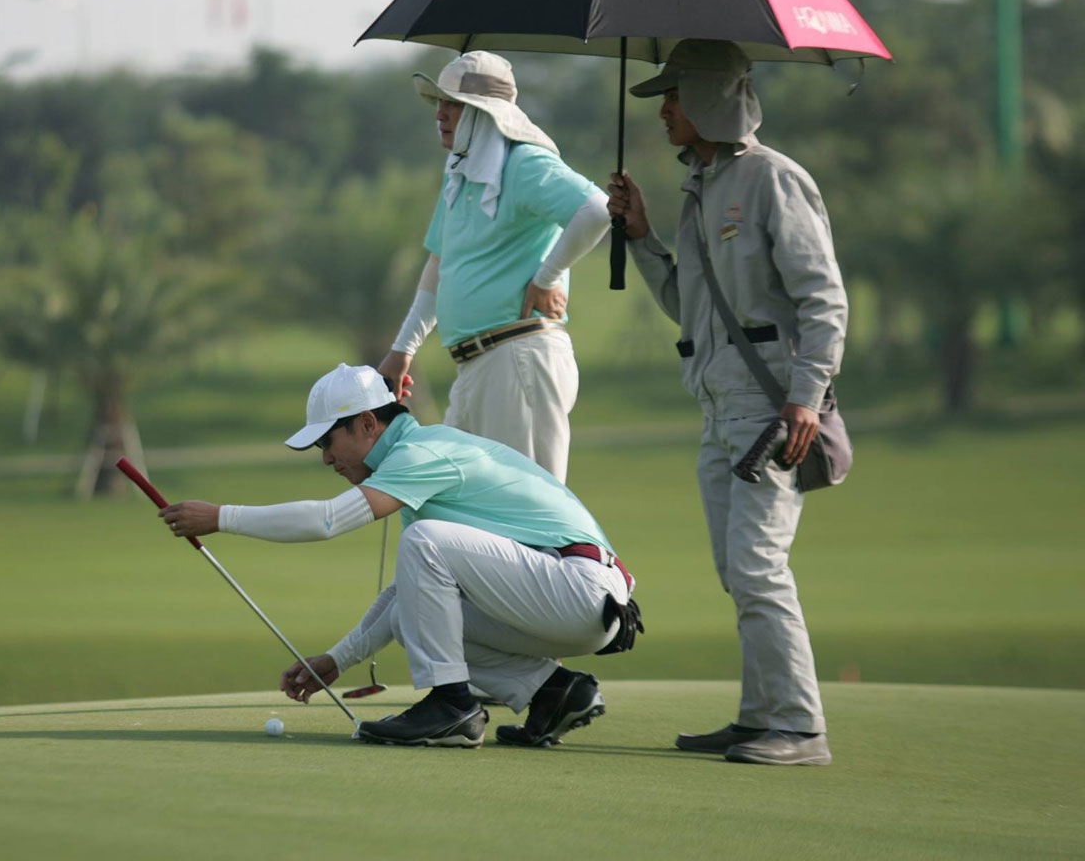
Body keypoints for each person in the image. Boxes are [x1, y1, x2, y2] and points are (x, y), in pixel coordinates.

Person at [156, 363, 642, 748]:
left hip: (580, 590)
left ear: (368, 423)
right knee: (415, 610)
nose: (325, 458)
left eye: (328, 441)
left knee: (423, 540)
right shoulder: (417, 456)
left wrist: (222, 517)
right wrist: (337, 660)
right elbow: (404, 596)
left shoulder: (421, 453)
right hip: (575, 596)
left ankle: (452, 708)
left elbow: (327, 520)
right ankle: (554, 692)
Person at [606, 39, 846, 767]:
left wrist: (806, 398)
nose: (664, 112)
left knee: (758, 569)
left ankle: (800, 728)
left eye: (674, 97)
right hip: (716, 410)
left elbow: (824, 301)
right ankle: (758, 716)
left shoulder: (774, 179)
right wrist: (642, 239)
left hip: (771, 413)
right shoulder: (699, 187)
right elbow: (690, 305)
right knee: (736, 572)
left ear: (711, 98)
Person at [378, 51, 615, 483]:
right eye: (439, 102)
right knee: (460, 503)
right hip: (476, 365)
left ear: (484, 112)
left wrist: (546, 277)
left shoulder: (525, 163)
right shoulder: (460, 173)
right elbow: (440, 263)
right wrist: (403, 349)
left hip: (519, 359)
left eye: (453, 104)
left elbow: (597, 210)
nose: (440, 113)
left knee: (530, 506)